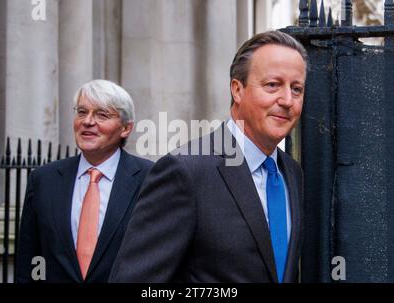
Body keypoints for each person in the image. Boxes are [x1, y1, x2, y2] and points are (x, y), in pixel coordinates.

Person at [109, 31, 307, 283]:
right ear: (237, 89)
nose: (287, 100)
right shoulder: (184, 171)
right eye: (272, 85)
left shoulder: (291, 172)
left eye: (297, 88)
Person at [15, 79, 153, 282]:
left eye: (102, 114)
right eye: (82, 112)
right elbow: (29, 259)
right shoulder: (43, 180)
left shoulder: (150, 179)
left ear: (126, 128)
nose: (87, 121)